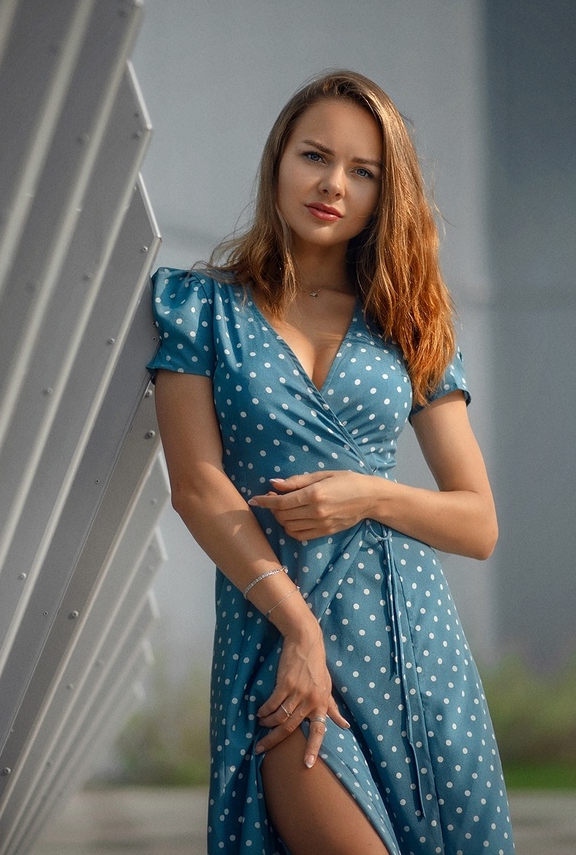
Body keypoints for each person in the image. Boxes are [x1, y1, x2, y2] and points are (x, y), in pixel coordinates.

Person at [147, 70, 512, 855]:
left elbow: (477, 523)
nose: (333, 184)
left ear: (385, 193)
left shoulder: (412, 324)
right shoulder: (198, 307)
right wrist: (300, 631)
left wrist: (369, 496)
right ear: (279, 159)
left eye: (363, 171)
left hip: (416, 651)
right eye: (315, 156)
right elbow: (198, 487)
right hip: (281, 638)